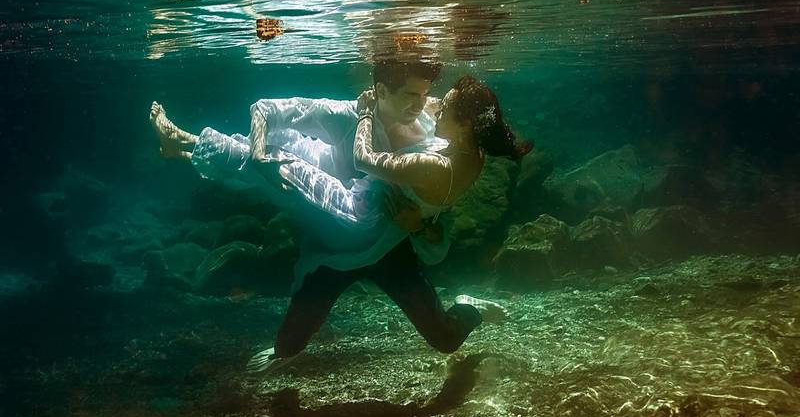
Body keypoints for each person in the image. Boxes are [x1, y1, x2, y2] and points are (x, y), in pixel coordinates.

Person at [150, 67, 531, 372]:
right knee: (279, 160)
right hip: (350, 230)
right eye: (416, 96)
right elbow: (276, 111)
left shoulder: (432, 148)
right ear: (381, 90)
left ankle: (471, 307)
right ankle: (184, 143)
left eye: (434, 100)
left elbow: (375, 164)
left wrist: (422, 226)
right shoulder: (451, 138)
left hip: (377, 232)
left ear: (464, 124)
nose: (429, 106)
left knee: (445, 339)